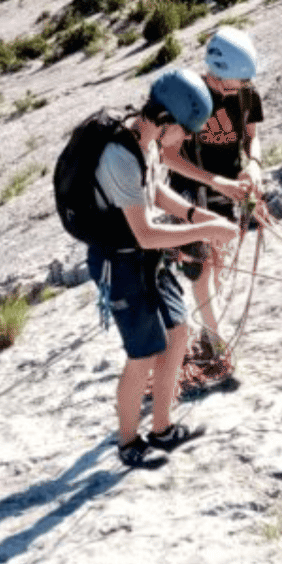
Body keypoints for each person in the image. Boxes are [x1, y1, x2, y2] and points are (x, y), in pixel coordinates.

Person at [87, 67, 241, 468]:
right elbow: (143, 232)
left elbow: (153, 188)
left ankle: (162, 426)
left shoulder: (148, 141)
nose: (187, 139)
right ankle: (127, 442)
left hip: (144, 256)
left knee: (178, 332)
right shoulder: (119, 156)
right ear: (168, 121)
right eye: (186, 131)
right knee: (143, 353)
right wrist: (206, 227)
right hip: (119, 263)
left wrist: (192, 216)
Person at [165, 25, 266, 387]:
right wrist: (213, 181)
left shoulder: (246, 92)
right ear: (219, 74)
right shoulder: (189, 99)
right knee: (203, 268)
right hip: (191, 193)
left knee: (220, 262)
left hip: (228, 189)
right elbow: (169, 156)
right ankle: (216, 345)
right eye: (235, 82)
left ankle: (210, 333)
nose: (240, 88)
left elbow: (252, 137)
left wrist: (253, 164)